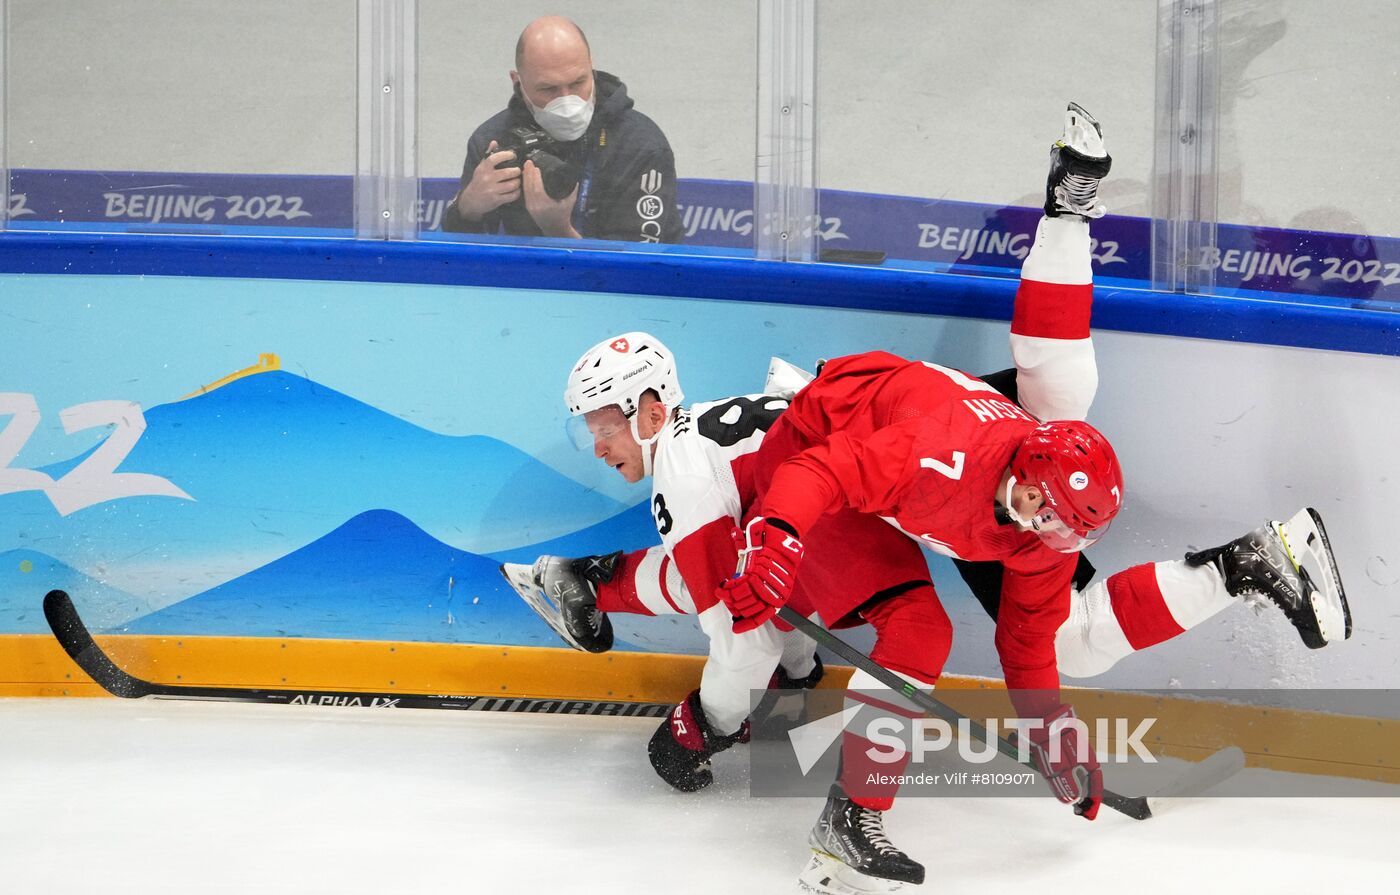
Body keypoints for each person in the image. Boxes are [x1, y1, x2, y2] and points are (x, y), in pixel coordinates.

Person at [714, 104, 1349, 893]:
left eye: (1062, 528)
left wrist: (1055, 732)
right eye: (1043, 511)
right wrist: (775, 534)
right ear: (1023, 472)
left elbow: (1026, 644)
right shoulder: (938, 463)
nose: (1046, 532)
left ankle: (1238, 563)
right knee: (921, 627)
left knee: (1065, 587)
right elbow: (821, 471)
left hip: (946, 433)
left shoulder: (1045, 528)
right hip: (821, 444)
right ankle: (849, 819)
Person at [501, 333, 826, 795]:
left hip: (871, 514)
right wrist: (796, 676)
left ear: (653, 415)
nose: (598, 450)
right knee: (720, 575)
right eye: (591, 434)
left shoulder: (686, 481)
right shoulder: (699, 440)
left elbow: (746, 642)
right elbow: (782, 588)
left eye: (607, 431)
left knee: (721, 584)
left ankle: (587, 581)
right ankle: (586, 581)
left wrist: (698, 731)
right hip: (853, 518)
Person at [440, 16, 682, 244]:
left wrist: (557, 229)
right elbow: (454, 262)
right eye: (548, 89)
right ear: (518, 82)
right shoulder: (493, 140)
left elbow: (637, 267)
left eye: (577, 83)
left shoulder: (640, 145)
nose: (567, 101)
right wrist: (467, 208)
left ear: (591, 67)